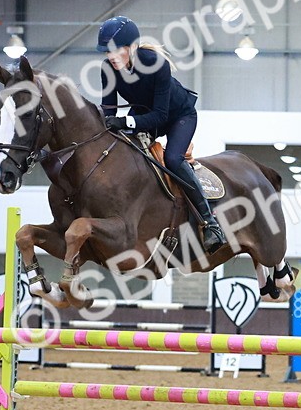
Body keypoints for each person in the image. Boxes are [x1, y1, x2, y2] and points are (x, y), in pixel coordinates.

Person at [96, 16, 226, 253]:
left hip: (178, 116)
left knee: (174, 159)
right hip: (144, 115)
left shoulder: (156, 63)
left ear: (132, 47)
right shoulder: (107, 69)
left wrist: (124, 121)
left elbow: (159, 115)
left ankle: (210, 223)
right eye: (107, 52)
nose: (111, 57)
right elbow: (108, 112)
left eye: (116, 51)